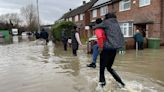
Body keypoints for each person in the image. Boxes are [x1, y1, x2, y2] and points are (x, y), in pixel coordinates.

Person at [94, 14, 125, 88]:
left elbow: (96, 26)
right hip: (114, 49)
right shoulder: (117, 24)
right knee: (109, 68)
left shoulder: (106, 22)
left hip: (106, 48)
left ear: (107, 18)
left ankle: (101, 87)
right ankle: (121, 83)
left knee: (102, 69)